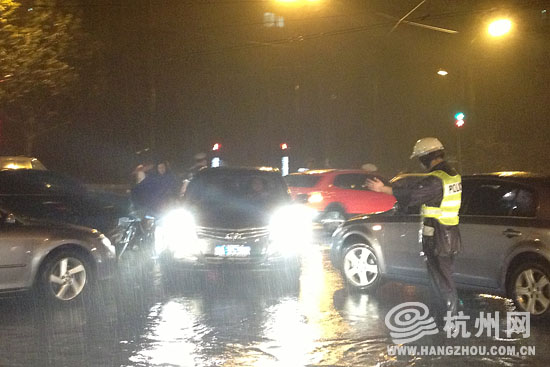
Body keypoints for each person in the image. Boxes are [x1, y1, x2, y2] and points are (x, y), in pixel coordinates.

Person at [366, 137, 462, 322]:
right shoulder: (450, 174)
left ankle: (448, 319)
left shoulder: (437, 179)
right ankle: (444, 317)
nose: (420, 162)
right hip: (448, 234)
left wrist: (383, 189)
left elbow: (413, 194)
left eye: (420, 158)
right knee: (442, 279)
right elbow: (415, 186)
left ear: (427, 156)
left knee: (441, 281)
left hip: (439, 236)